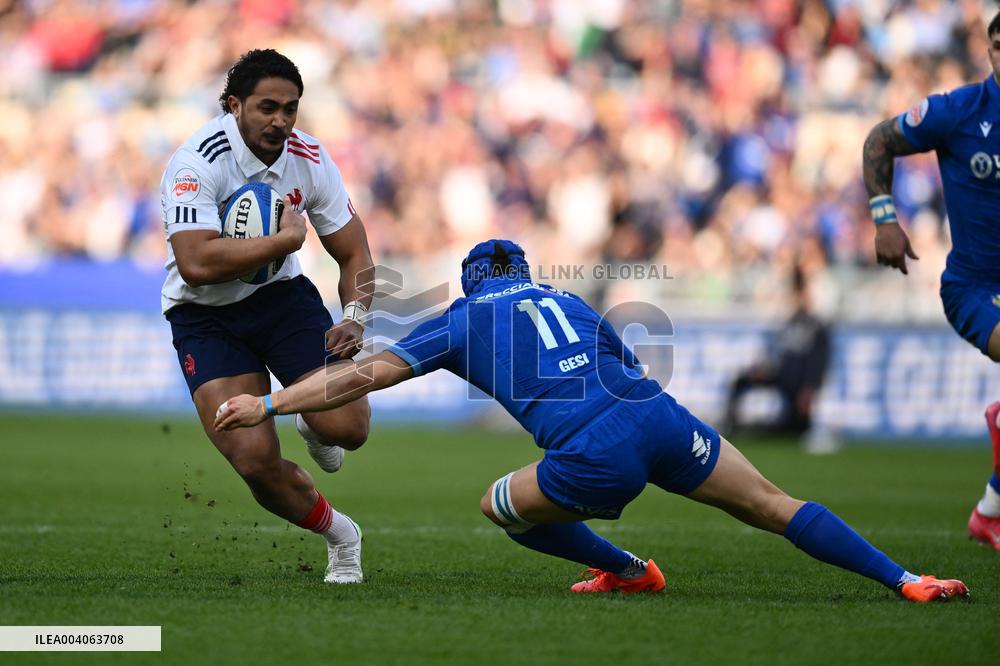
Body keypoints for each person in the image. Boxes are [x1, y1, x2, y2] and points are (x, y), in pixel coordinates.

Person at [215, 239, 968, 601]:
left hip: (591, 451)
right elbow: (626, 364)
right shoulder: (568, 299)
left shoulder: (461, 316)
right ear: (524, 274)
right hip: (658, 418)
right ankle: (906, 580)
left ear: (473, 283)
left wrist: (270, 403)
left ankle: (629, 570)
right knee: (775, 503)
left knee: (500, 507)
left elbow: (361, 375)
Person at [161, 49, 375, 583]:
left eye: (290, 109)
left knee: (349, 428)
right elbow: (195, 264)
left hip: (281, 301)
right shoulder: (196, 162)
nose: (280, 120)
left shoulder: (309, 156)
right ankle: (341, 535)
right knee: (254, 460)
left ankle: (310, 419)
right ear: (234, 105)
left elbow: (356, 253)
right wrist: (283, 241)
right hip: (205, 316)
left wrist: (354, 316)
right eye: (267, 108)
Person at [862, 12, 1000, 551]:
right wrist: (884, 217)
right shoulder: (958, 111)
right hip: (974, 288)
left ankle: (990, 511)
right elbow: (879, 140)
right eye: (998, 43)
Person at [724, 265, 830, 437]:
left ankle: (777, 428)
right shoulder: (787, 322)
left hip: (797, 381)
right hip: (780, 374)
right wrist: (763, 368)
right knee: (741, 381)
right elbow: (776, 353)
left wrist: (810, 387)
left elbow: (818, 361)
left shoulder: (815, 326)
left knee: (794, 428)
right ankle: (732, 424)